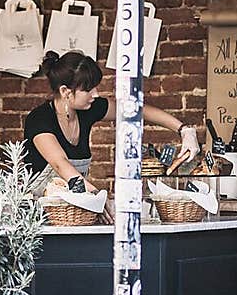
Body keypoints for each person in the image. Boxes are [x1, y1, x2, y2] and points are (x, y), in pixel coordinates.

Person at [22, 50, 202, 212]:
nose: (96, 94)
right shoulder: (39, 120)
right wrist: (97, 197)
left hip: (72, 214)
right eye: (88, 89)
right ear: (65, 92)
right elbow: (60, 165)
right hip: (36, 219)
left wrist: (184, 130)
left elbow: (136, 110)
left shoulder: (87, 109)